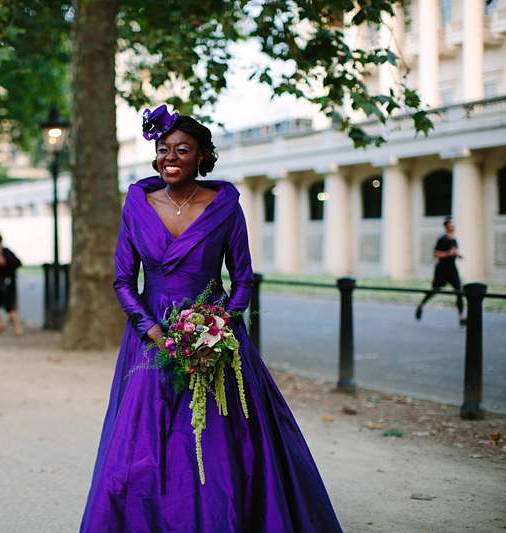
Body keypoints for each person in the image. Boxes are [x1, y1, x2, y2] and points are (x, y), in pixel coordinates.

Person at [80, 106, 342, 532]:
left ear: (202, 156)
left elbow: (242, 280)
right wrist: (152, 330)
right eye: (164, 149)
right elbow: (124, 280)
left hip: (215, 341)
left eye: (182, 150)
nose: (171, 157)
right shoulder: (137, 206)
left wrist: (214, 327)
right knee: (142, 449)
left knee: (223, 449)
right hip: (151, 342)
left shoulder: (224, 208)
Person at [415, 216, 466, 326]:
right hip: (442, 269)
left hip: (452, 268)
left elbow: (453, 252)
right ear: (446, 226)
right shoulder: (442, 239)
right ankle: (421, 305)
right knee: (435, 290)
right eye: (451, 224)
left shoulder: (454, 239)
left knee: (459, 291)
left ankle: (461, 317)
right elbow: (436, 254)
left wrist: (458, 255)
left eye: (453, 224)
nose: (453, 226)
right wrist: (449, 253)